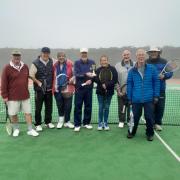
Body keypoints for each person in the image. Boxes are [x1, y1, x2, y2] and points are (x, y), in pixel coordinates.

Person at [1, 50, 39, 137]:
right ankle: (16, 129)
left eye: (18, 56)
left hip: (25, 95)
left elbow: (27, 78)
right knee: (13, 114)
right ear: (12, 57)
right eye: (15, 56)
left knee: (28, 113)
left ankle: (30, 129)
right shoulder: (7, 68)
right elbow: (3, 83)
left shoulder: (25, 66)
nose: (16, 57)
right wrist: (4, 96)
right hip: (12, 97)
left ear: (20, 57)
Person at [127, 49, 160, 141]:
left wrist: (156, 95)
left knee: (149, 117)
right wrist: (129, 98)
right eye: (139, 55)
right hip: (136, 99)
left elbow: (156, 82)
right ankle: (131, 132)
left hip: (149, 98)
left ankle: (149, 133)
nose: (141, 56)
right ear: (136, 56)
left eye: (142, 55)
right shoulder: (132, 71)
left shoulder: (152, 68)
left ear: (145, 56)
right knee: (134, 118)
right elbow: (129, 84)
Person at [146, 47, 173, 131]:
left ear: (158, 53)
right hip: (149, 89)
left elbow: (170, 73)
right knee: (149, 108)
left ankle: (157, 123)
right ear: (149, 53)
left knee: (160, 107)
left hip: (161, 89)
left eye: (155, 52)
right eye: (151, 52)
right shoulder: (146, 62)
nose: (153, 53)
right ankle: (150, 123)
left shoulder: (164, 62)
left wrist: (164, 76)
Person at [29, 47, 55, 131]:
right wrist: (38, 82)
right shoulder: (35, 63)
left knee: (49, 107)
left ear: (49, 54)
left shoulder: (52, 61)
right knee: (38, 107)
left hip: (49, 89)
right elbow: (31, 75)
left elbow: (61, 61)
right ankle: (38, 124)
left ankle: (48, 122)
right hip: (39, 90)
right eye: (44, 53)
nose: (45, 54)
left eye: (47, 53)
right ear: (41, 53)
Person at [74, 48, 96, 132]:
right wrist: (85, 74)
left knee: (88, 106)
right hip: (79, 88)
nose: (84, 54)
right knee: (78, 106)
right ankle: (77, 124)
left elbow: (94, 74)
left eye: (85, 53)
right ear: (80, 53)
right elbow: (76, 74)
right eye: (82, 53)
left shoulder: (92, 62)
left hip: (88, 89)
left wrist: (91, 80)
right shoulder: (76, 63)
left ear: (87, 53)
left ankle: (86, 123)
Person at [94, 55, 118, 130]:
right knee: (101, 107)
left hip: (109, 92)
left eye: (105, 60)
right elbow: (95, 79)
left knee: (107, 107)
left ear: (107, 61)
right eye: (102, 60)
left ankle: (105, 122)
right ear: (100, 62)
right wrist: (101, 84)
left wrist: (107, 84)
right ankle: (100, 123)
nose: (104, 62)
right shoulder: (97, 70)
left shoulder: (113, 69)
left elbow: (115, 80)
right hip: (100, 92)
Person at [52, 52, 74, 129]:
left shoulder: (70, 64)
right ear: (57, 57)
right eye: (59, 56)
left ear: (65, 57)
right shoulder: (54, 65)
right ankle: (61, 121)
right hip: (57, 88)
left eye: (63, 56)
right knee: (60, 105)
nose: (61, 57)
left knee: (68, 106)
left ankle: (67, 121)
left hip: (68, 87)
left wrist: (72, 79)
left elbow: (75, 74)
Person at [115, 50, 134, 128]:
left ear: (130, 55)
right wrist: (118, 90)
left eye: (128, 55)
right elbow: (115, 79)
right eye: (124, 55)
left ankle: (130, 121)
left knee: (131, 107)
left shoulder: (135, 64)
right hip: (121, 91)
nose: (126, 56)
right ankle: (121, 121)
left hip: (132, 91)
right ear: (122, 56)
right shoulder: (117, 65)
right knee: (121, 106)